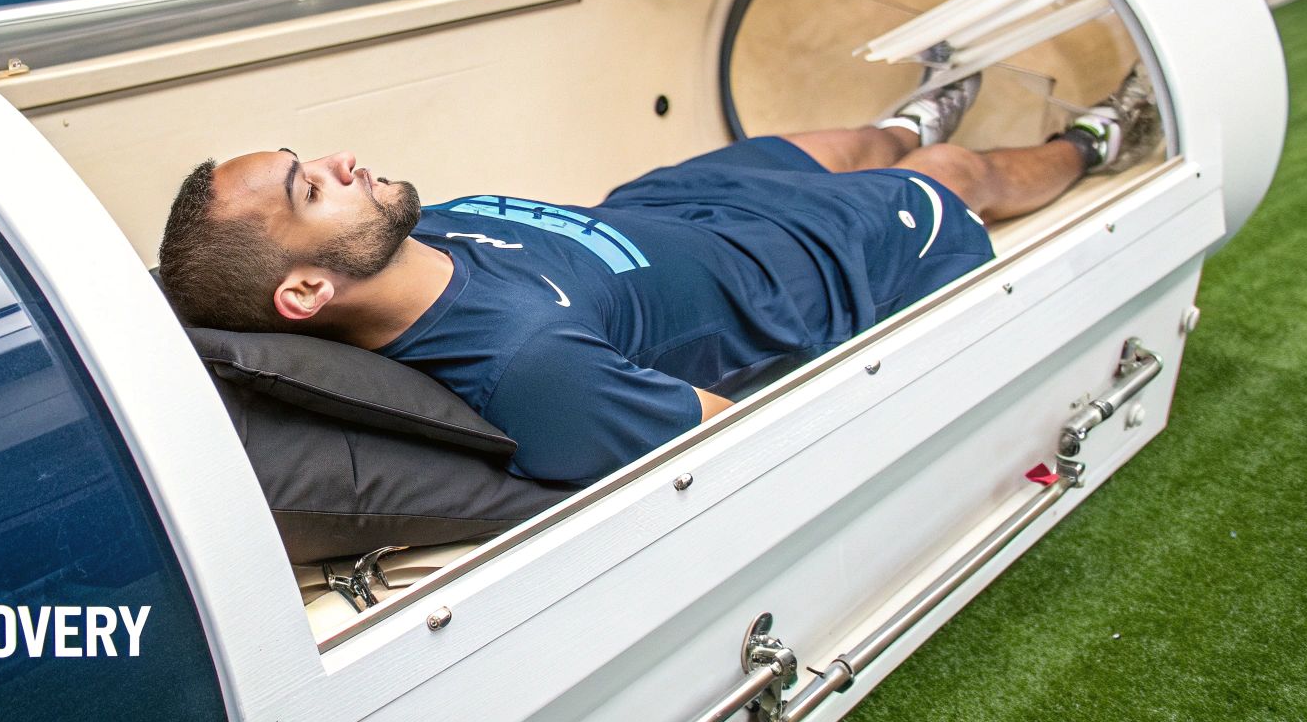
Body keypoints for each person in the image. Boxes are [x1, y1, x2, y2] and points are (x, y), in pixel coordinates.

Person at [159, 66, 1162, 484]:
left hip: (663, 207)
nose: (336, 161)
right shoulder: (528, 364)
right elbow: (746, 445)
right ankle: (1091, 139)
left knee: (854, 138)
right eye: (307, 188)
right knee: (952, 177)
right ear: (302, 295)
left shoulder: (406, 240)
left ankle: (903, 116)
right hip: (810, 270)